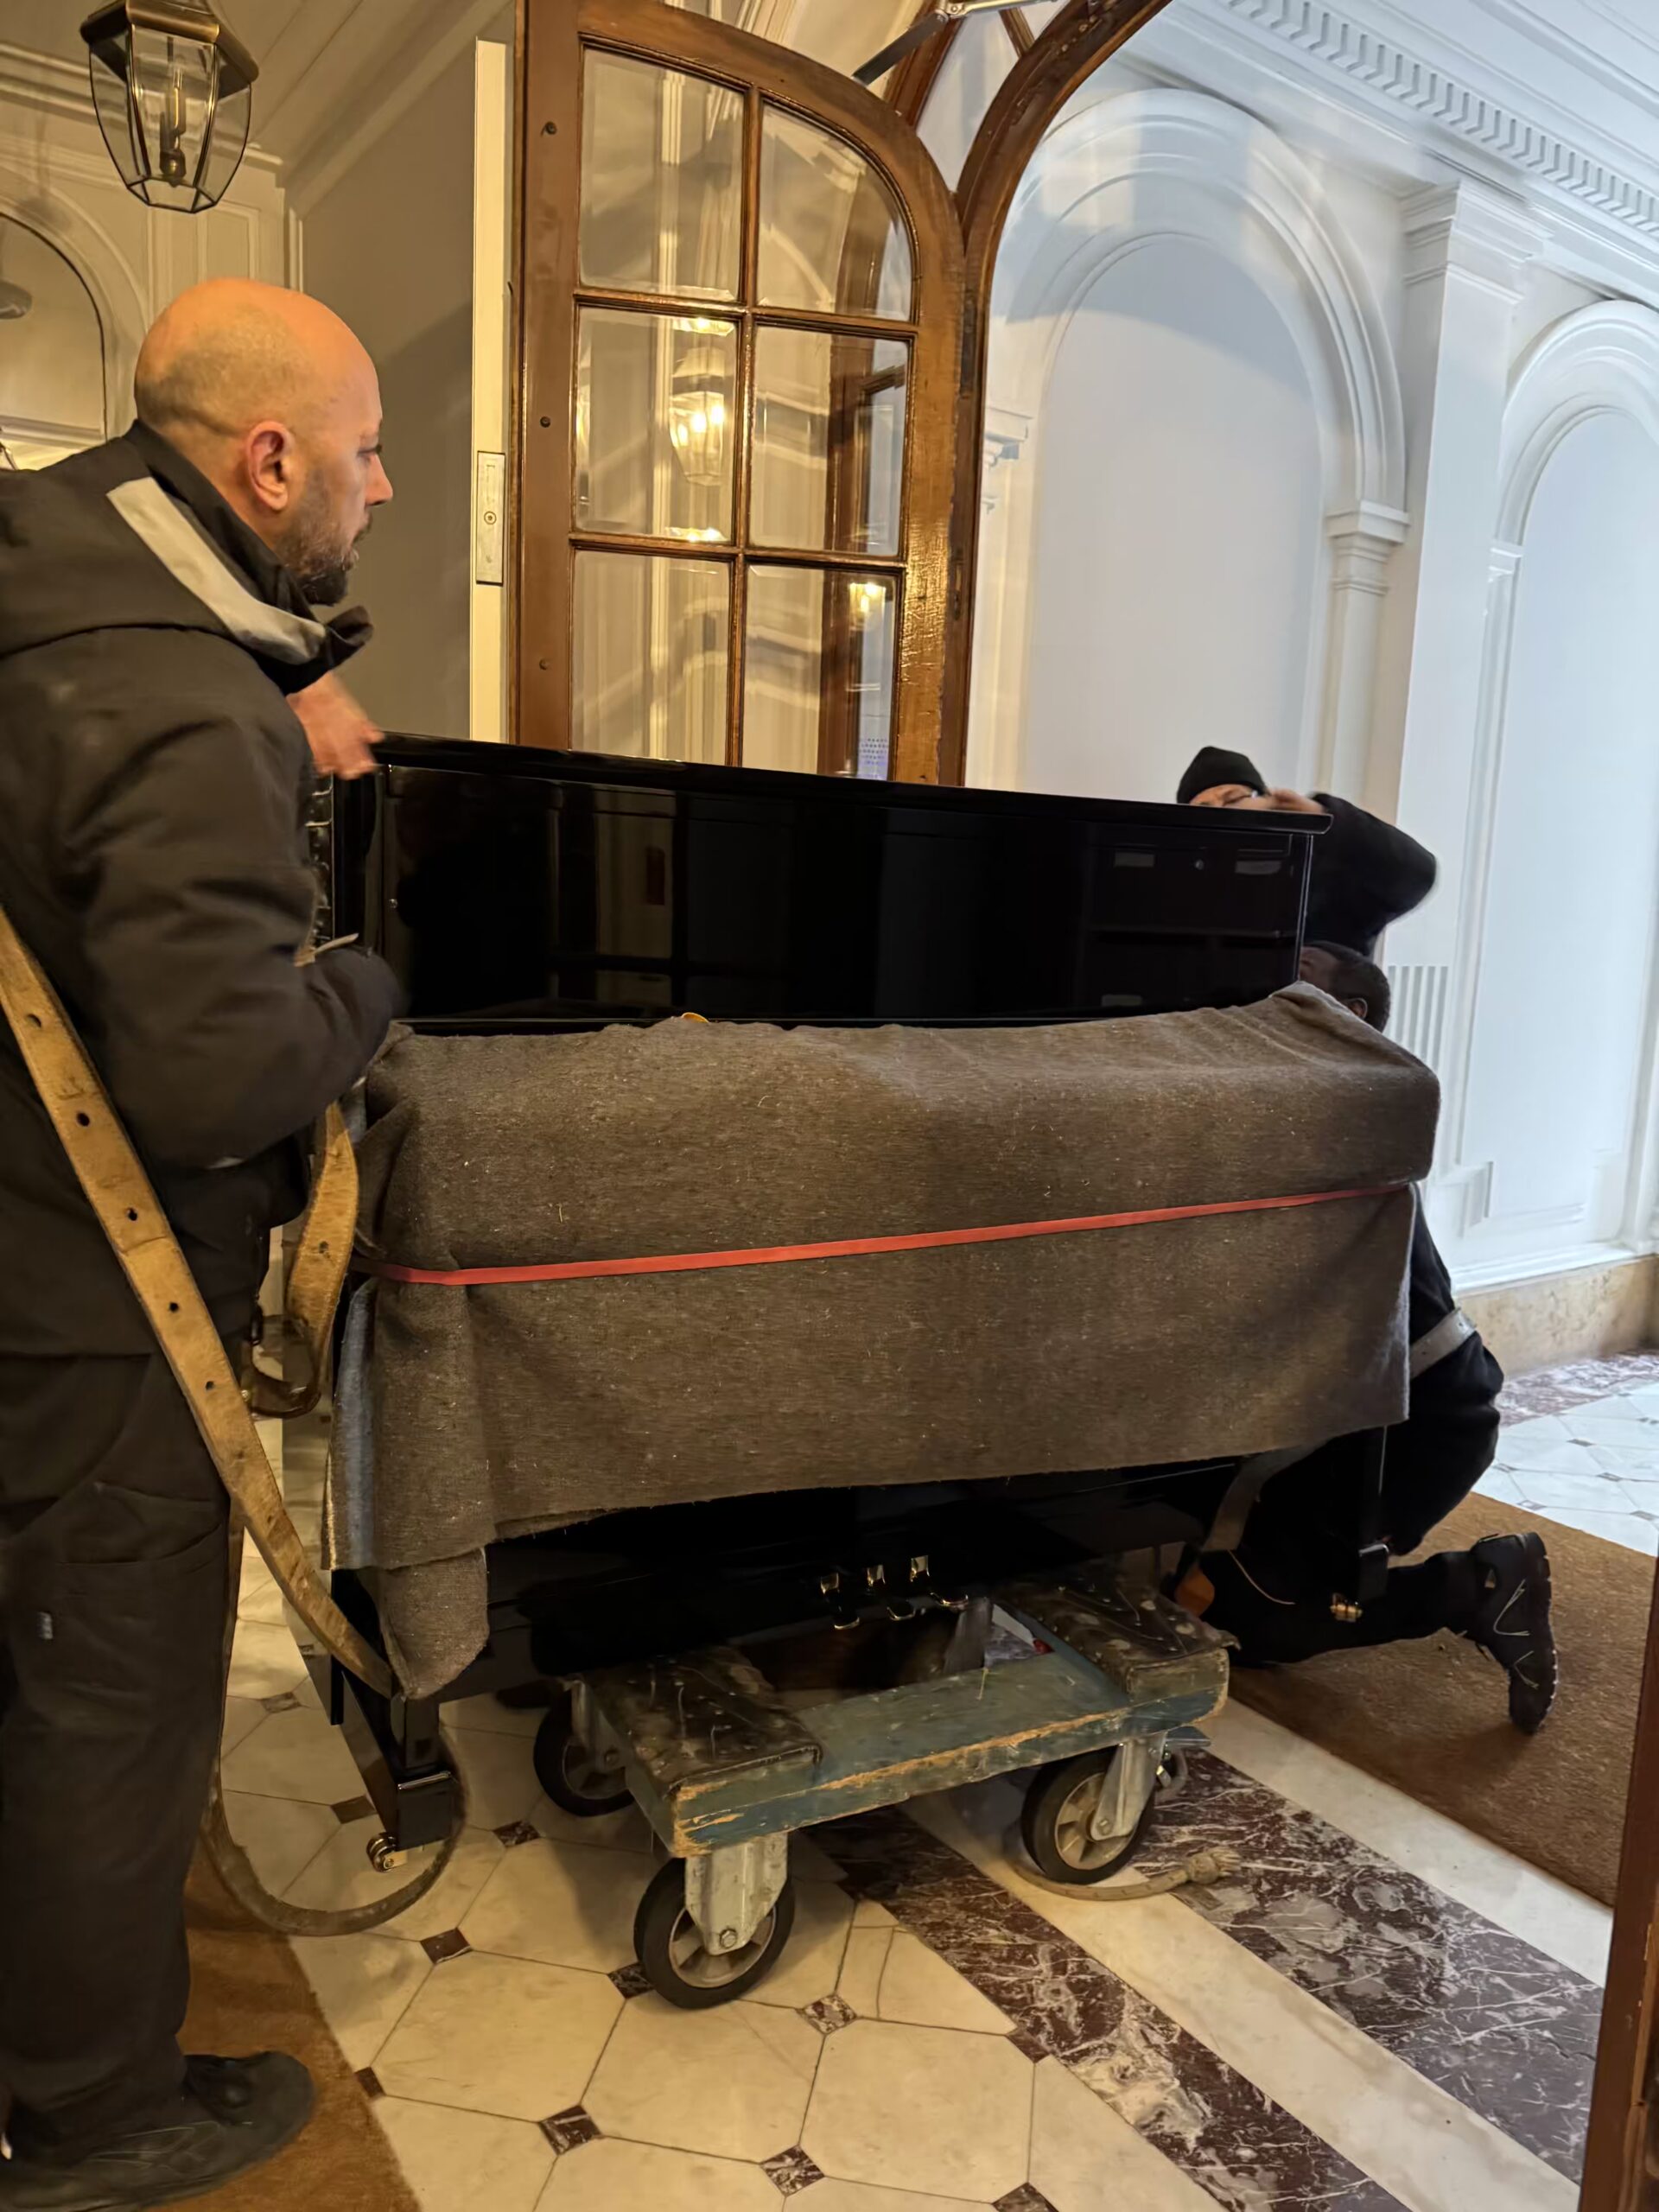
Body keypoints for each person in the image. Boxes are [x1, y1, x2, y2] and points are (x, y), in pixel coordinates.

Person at [0, 278, 402, 2208]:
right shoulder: (174, 696)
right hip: (90, 1300)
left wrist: (267, 685)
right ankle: (96, 2115)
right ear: (265, 458)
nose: (381, 488)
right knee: (108, 1696)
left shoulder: (48, 584)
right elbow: (218, 1073)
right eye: (364, 453)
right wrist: (367, 985)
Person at [1187, 944, 1559, 1733]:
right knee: (1198, 1583)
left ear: (1347, 1016)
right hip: (1359, 1406)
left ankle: (1484, 1586)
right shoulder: (1296, 1104)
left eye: (1299, 968)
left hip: (1423, 1420)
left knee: (1250, 1620)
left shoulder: (1351, 1115)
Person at [1177, 746, 1437, 957]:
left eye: (1233, 798)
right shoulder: (1187, 884)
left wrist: (1325, 817)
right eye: (1203, 809)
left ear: (1268, 800)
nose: (1220, 812)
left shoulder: (1325, 866)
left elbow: (1416, 872)